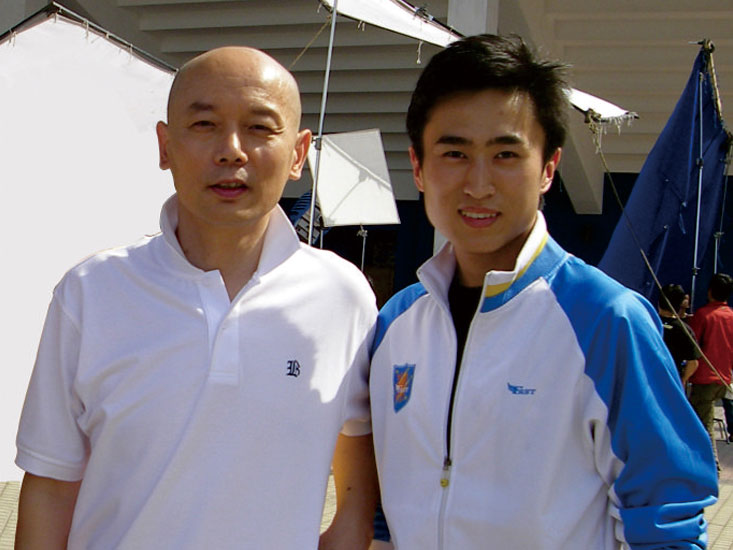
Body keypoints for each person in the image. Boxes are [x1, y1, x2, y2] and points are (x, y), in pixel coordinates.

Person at [15, 47, 377, 549]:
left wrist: (349, 532)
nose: (231, 151)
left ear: (298, 154)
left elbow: (358, 461)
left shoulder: (343, 297)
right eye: (205, 124)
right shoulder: (90, 293)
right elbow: (51, 485)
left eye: (259, 127)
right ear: (165, 146)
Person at [368, 34, 717, 549]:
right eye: (455, 153)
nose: (479, 184)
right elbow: (384, 506)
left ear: (549, 168)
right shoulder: (396, 323)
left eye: (506, 154)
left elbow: (667, 521)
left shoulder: (607, 321)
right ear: (418, 167)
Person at [688, 273, 733, 459]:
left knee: (704, 426)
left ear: (710, 291)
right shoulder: (731, 316)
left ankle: (713, 465)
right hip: (724, 378)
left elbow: (692, 347)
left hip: (704, 379)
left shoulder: (703, 315)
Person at [658, 283, 700, 385]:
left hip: (646, 377)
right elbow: (693, 363)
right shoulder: (684, 330)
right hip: (672, 380)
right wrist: (683, 379)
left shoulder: (648, 322)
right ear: (680, 304)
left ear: (659, 301)